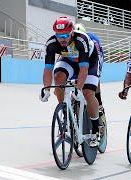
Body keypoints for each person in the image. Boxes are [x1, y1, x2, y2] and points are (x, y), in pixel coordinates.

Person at [39, 16, 100, 147]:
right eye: (58, 35)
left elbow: (84, 69)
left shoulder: (81, 40)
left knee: (88, 93)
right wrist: (47, 89)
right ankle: (66, 112)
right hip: (69, 60)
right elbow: (48, 69)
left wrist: (78, 88)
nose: (62, 39)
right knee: (59, 77)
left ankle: (96, 130)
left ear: (72, 32)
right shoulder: (51, 44)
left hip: (89, 62)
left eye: (66, 35)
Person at [74, 23, 105, 119]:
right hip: (78, 58)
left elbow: (97, 60)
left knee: (94, 79)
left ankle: (99, 103)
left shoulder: (92, 40)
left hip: (94, 58)